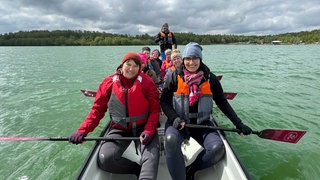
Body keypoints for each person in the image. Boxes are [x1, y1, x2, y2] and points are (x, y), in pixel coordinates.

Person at [160, 42, 252, 180]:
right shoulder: (173, 77)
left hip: (202, 123)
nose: (191, 62)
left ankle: (191, 170)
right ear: (183, 60)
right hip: (179, 123)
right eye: (188, 59)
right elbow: (164, 101)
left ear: (200, 59)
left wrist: (238, 124)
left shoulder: (211, 79)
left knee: (217, 148)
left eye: (195, 58)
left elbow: (223, 103)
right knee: (170, 140)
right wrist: (174, 118)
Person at [69, 52, 160, 180]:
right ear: (122, 65)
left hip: (143, 128)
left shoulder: (147, 82)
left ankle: (145, 168)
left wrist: (149, 130)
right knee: (106, 159)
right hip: (119, 130)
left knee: (151, 159)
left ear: (140, 68)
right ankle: (136, 168)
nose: (131, 69)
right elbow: (97, 110)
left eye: (135, 66)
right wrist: (82, 131)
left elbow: (155, 110)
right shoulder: (108, 82)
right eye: (128, 64)